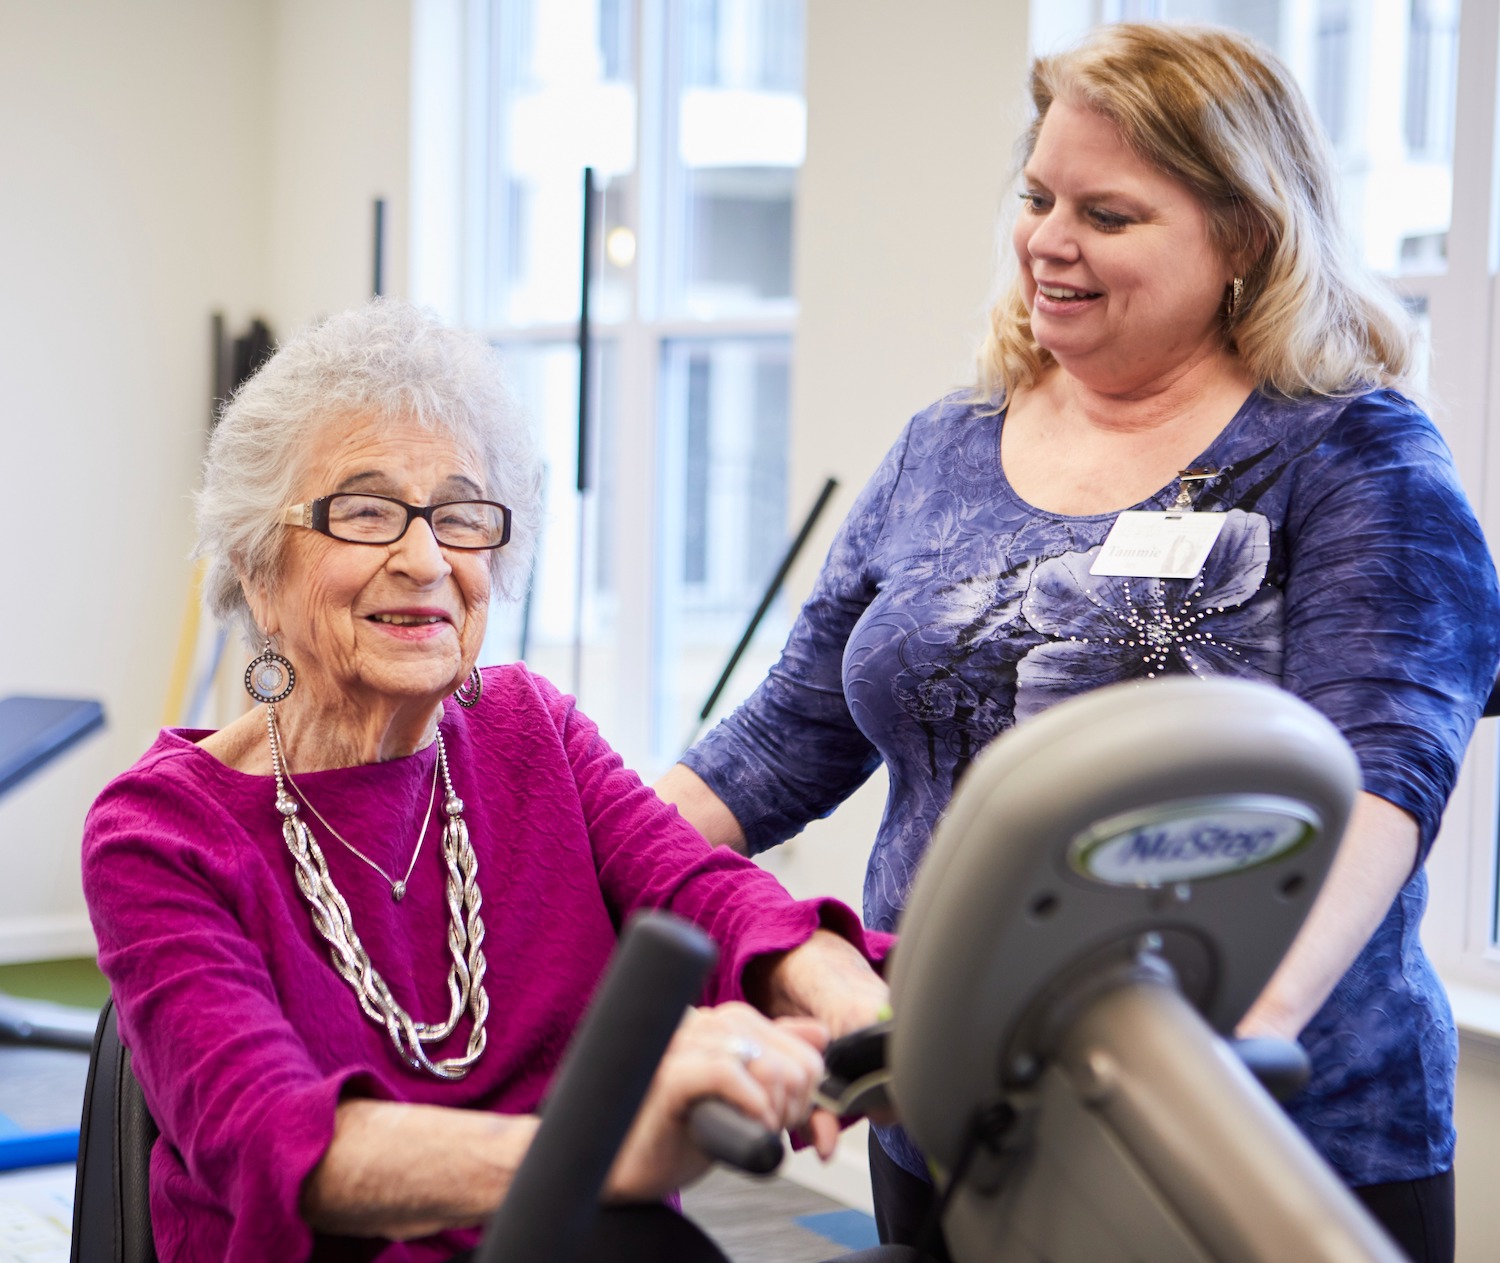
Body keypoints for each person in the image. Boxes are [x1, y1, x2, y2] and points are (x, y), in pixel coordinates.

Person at [657, 22, 1500, 1263]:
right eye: (1039, 195)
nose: (1047, 239)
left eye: (1107, 214)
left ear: (1246, 240)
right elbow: (783, 738)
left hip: (1256, 1137)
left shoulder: (1352, 457)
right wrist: (567, 874)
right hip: (952, 1112)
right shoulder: (944, 448)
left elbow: (1385, 780)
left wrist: (1230, 1050)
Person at [81, 299, 892, 1263]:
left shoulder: (528, 729)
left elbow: (695, 887)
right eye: (367, 510)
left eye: (460, 516)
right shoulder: (161, 831)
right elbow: (272, 1137)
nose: (425, 559)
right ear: (260, 568)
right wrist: (590, 1149)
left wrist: (840, 985)